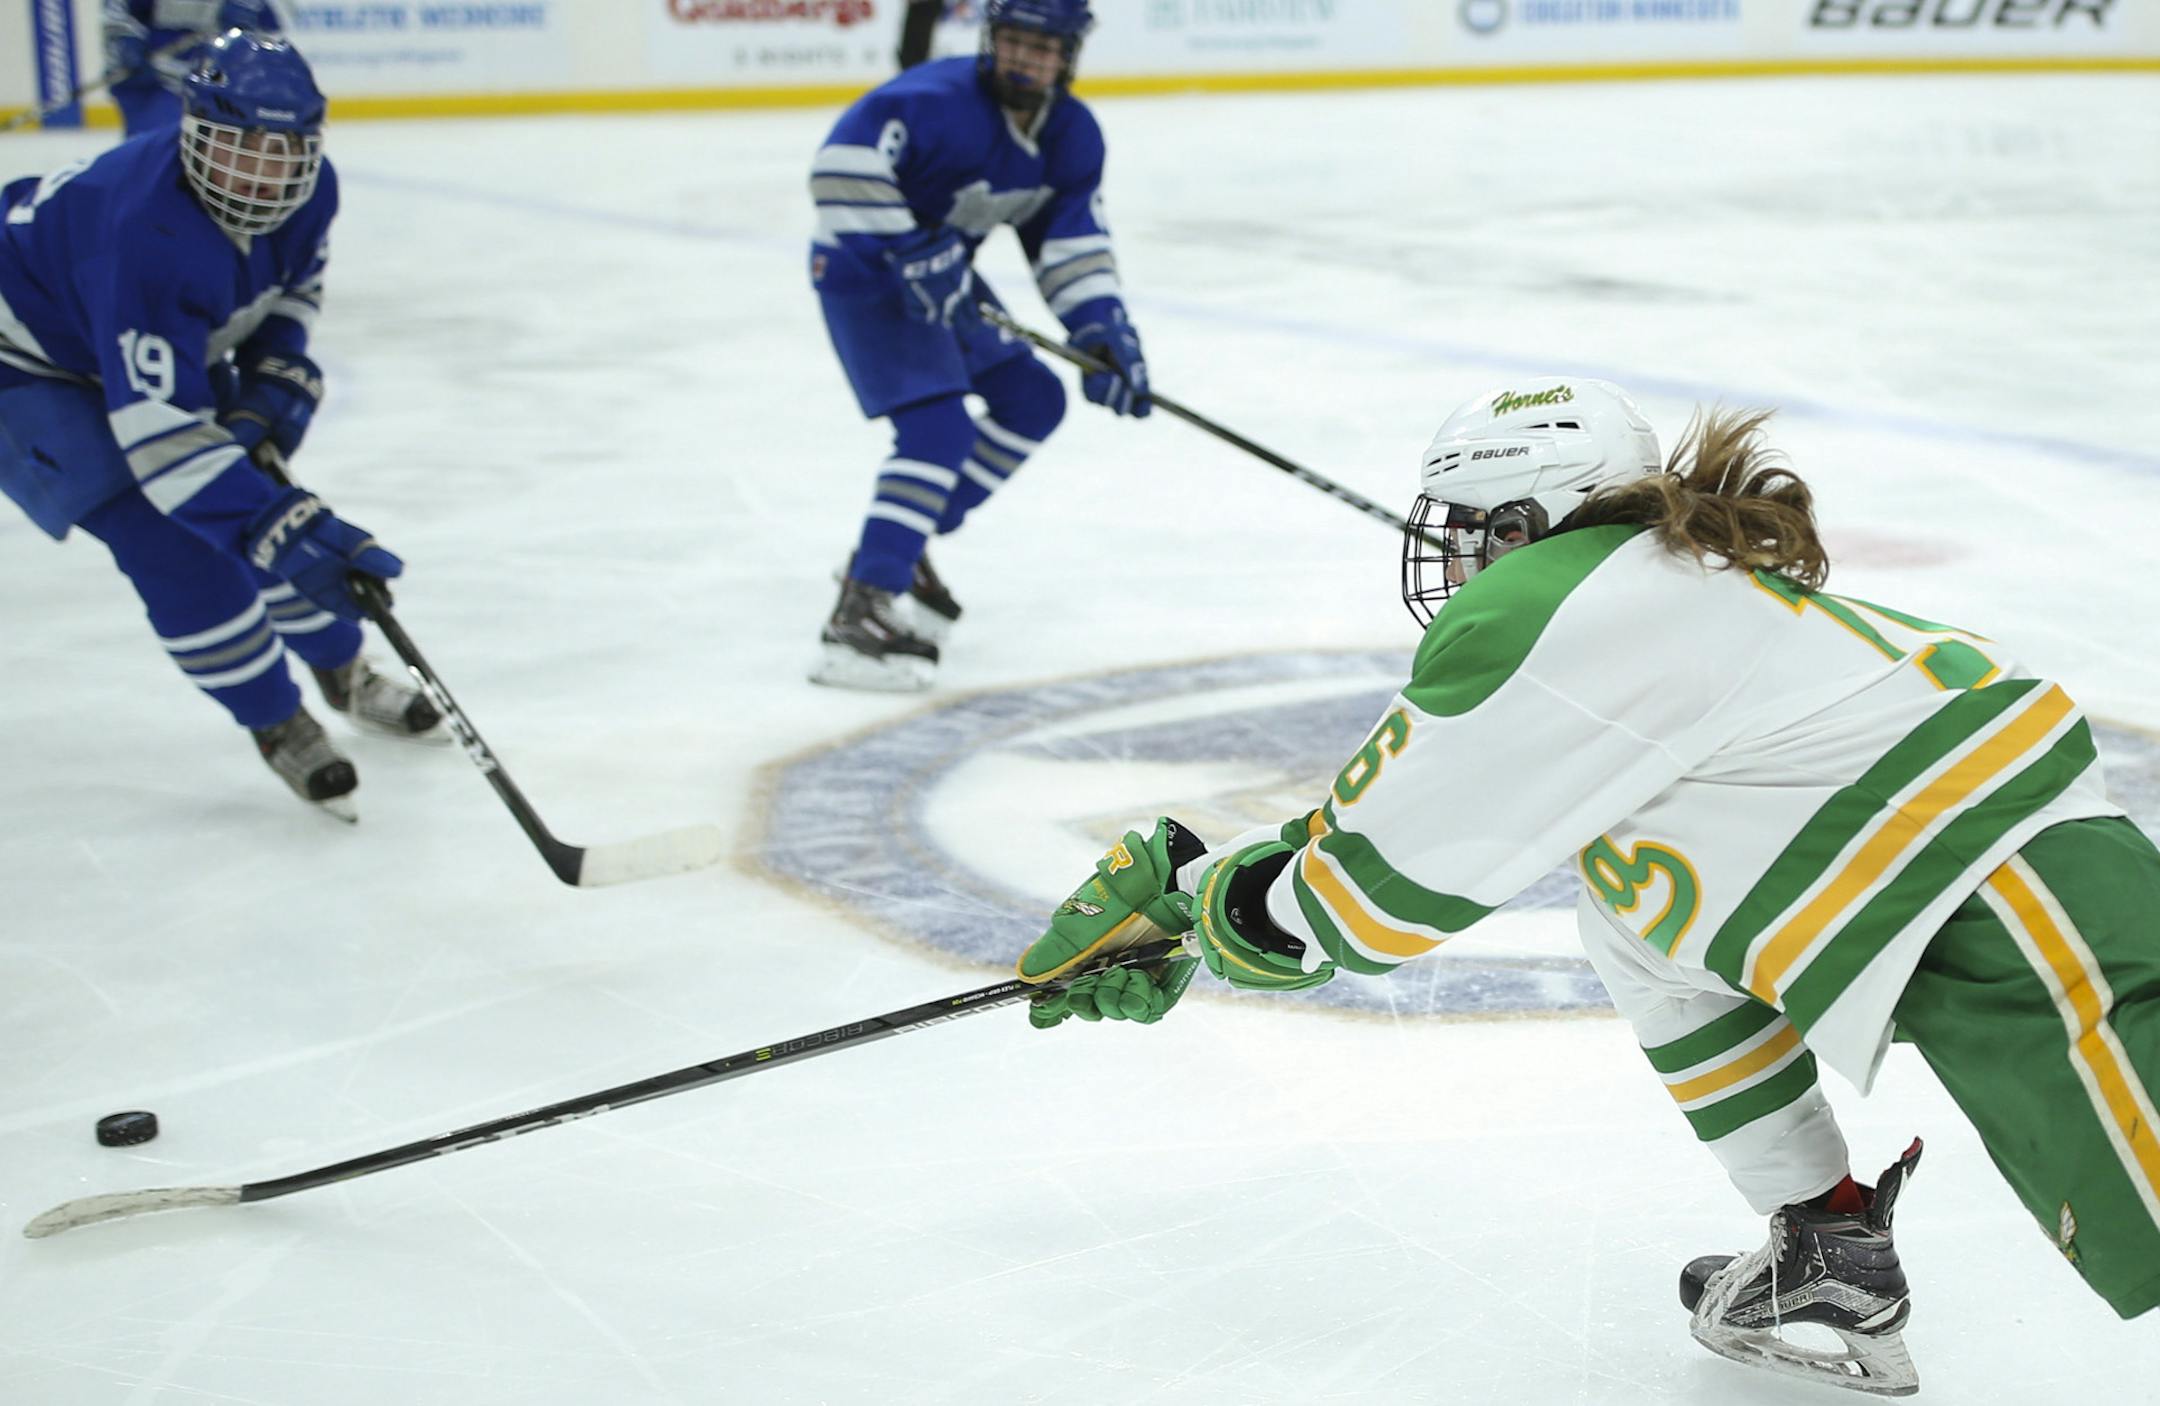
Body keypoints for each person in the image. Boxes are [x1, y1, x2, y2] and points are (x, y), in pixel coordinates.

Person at [1015, 378, 2160, 1395]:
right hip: (1984, 882)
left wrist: (1211, 920)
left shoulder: (1547, 604)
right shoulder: (1647, 577)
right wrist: (1198, 886)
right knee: (1637, 912)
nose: (1455, 561)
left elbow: (1377, 900)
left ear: (1523, 521)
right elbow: (1402, 823)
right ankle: (1831, 1238)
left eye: (1468, 531)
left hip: (2027, 900)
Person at [0, 30, 438, 821]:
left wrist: (275, 369)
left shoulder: (315, 192)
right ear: (194, 132)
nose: (262, 175)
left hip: (130, 330)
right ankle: (277, 720)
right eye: (238, 147)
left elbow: (293, 288)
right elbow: (163, 447)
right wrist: (272, 525)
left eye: (284, 151)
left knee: (262, 502)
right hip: (27, 360)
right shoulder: (143, 233)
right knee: (175, 537)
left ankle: (345, 673)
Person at [807, 0, 1152, 692]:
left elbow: (1070, 240)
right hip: (865, 276)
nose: (1027, 59)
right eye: (1015, 42)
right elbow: (840, 165)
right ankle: (862, 605)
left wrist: (1101, 328)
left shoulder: (1072, 135)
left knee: (1033, 398)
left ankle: (899, 549)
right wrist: (907, 249)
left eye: (1044, 47)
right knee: (936, 432)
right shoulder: (932, 99)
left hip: (947, 281)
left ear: (1068, 56)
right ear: (992, 39)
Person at [102, 1, 287, 137]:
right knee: (157, 149)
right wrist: (126, 46)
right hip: (156, 82)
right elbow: (117, 15)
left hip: (223, 88)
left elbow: (274, 38)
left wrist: (248, 30)